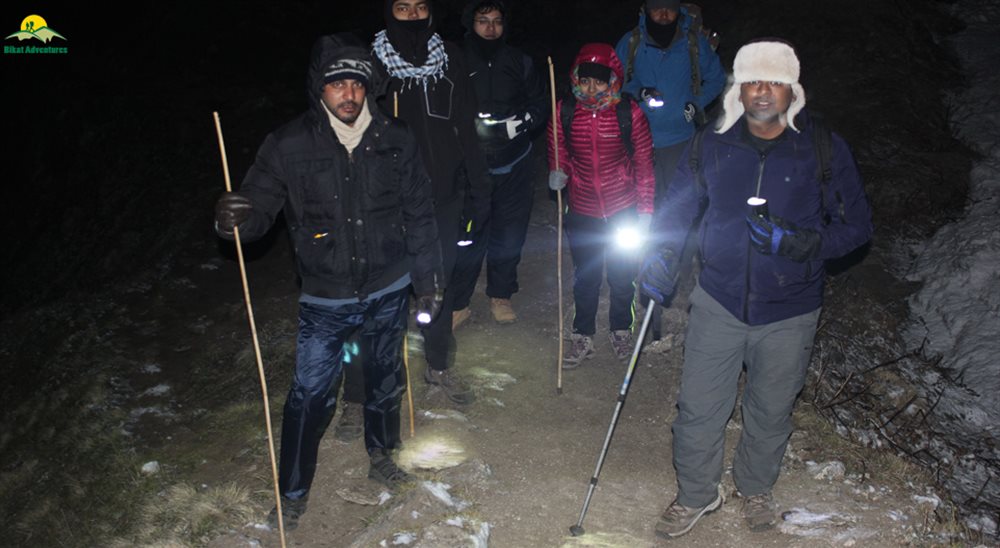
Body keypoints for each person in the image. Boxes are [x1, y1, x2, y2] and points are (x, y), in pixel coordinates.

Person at [638, 39, 873, 538]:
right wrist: (661, 254)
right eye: (752, 82)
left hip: (790, 308)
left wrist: (800, 243)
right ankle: (697, 495)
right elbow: (678, 207)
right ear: (738, 91)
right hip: (719, 299)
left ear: (792, 91)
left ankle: (756, 487)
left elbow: (857, 230)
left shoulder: (822, 148)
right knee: (699, 407)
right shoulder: (711, 143)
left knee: (770, 409)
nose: (762, 91)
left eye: (773, 82)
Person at [213, 33, 444, 530]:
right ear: (319, 88)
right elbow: (257, 214)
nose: (348, 95)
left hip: (387, 285)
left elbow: (420, 213)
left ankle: (383, 456)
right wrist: (231, 218)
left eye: (356, 85)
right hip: (326, 296)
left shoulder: (396, 138)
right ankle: (292, 491)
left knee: (384, 380)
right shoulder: (287, 144)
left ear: (368, 89)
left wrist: (427, 281)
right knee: (310, 395)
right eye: (337, 84)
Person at [371, 0, 492, 405]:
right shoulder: (372, 62)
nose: (412, 16)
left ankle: (439, 366)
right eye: (402, 8)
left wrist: (480, 190)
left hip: (442, 197)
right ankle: (369, 386)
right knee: (381, 291)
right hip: (385, 201)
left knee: (435, 288)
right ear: (389, 13)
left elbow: (467, 128)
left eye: (420, 7)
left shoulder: (450, 59)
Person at [547, 43, 655, 367]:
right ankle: (583, 335)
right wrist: (557, 172)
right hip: (582, 208)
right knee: (586, 276)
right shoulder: (565, 109)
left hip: (623, 206)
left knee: (623, 276)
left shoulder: (629, 112)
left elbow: (645, 164)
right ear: (576, 78)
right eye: (585, 80)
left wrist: (646, 210)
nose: (591, 87)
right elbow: (559, 148)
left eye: (599, 80)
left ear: (613, 80)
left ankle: (621, 329)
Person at [447, 0, 549, 327]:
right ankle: (458, 302)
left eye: (496, 21)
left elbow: (539, 105)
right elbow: (442, 107)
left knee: (509, 233)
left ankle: (500, 294)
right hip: (470, 164)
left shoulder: (519, 61)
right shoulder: (455, 60)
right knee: (468, 235)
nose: (490, 27)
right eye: (482, 21)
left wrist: (523, 121)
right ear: (470, 23)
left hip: (514, 162)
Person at [615, 0, 725, 202]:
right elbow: (615, 82)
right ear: (647, 10)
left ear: (678, 11)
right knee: (642, 201)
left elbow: (716, 78)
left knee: (678, 201)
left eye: (670, 9)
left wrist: (696, 102)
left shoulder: (693, 43)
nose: (664, 15)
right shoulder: (631, 42)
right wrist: (640, 92)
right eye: (657, 9)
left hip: (681, 138)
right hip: (639, 136)